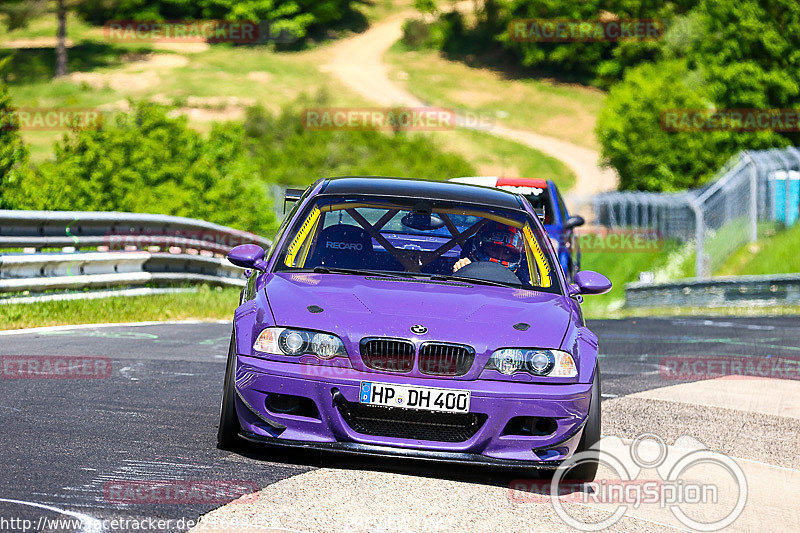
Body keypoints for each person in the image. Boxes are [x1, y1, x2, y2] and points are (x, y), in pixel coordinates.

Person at [453, 221, 524, 273]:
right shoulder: (465, 267)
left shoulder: (524, 288)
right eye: (494, 249)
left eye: (507, 253)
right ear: (481, 248)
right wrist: (460, 272)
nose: (499, 255)